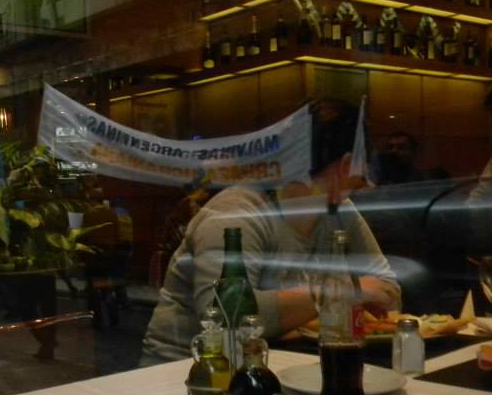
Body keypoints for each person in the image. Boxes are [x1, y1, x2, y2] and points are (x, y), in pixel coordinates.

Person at [141, 98, 401, 365]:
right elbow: (224, 319)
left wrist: (342, 296)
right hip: (185, 370)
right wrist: (339, 293)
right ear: (346, 165)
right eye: (366, 165)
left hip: (276, 363)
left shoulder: (340, 211)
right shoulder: (237, 212)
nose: (368, 181)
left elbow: (387, 291)